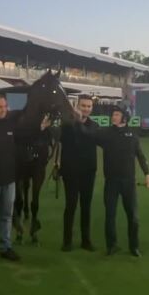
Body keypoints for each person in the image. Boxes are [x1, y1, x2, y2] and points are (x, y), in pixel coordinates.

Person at [76, 106, 149, 257]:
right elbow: (87, 134)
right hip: (111, 182)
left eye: (117, 114)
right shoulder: (106, 133)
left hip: (129, 182)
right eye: (113, 114)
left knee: (133, 217)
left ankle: (134, 247)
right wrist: (79, 121)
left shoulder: (133, 135)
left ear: (124, 117)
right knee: (110, 215)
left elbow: (141, 156)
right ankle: (111, 246)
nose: (113, 116)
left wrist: (147, 174)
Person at [59, 95, 99, 252]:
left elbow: (88, 135)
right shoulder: (67, 125)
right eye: (83, 106)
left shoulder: (94, 126)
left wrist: (78, 122)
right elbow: (60, 137)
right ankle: (67, 241)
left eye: (89, 106)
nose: (86, 109)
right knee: (70, 206)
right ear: (77, 106)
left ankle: (85, 240)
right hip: (70, 172)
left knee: (86, 207)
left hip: (88, 172)